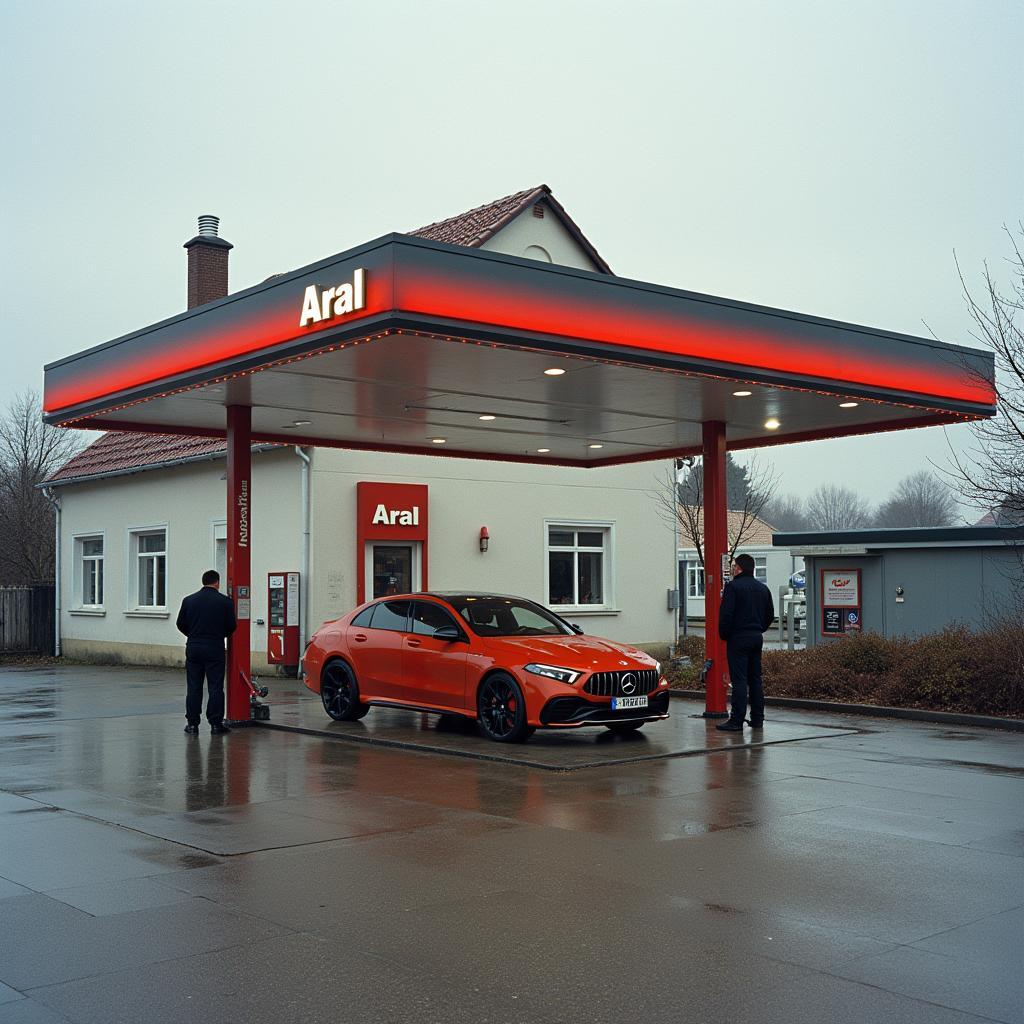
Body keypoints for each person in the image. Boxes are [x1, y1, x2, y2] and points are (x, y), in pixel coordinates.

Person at [716, 553, 775, 732]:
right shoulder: (763, 589)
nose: (732, 569)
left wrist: (725, 635)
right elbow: (769, 615)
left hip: (738, 639)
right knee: (756, 679)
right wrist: (758, 629)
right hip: (756, 637)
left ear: (738, 568)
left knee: (739, 680)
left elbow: (726, 615)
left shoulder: (733, 588)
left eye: (734, 566)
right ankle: (757, 718)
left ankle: (736, 720)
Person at [175, 569, 237, 735]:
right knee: (215, 687)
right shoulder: (225, 602)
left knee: (194, 687)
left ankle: (192, 724)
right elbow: (232, 626)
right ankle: (216, 724)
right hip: (214, 647)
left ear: (203, 582)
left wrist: (193, 635)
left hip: (194, 647)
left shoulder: (189, 600)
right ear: (217, 582)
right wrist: (218, 635)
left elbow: (180, 623)